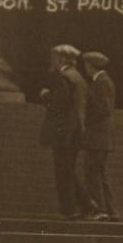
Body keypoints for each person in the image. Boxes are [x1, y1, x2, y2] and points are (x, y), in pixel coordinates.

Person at [37, 44, 87, 220]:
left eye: (54, 57)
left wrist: (45, 96)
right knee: (68, 170)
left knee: (62, 172)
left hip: (63, 132)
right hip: (75, 132)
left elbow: (60, 106)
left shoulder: (63, 77)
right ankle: (87, 205)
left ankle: (69, 210)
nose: (52, 61)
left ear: (62, 59)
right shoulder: (78, 77)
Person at [80, 50, 117, 221]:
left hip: (98, 136)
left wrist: (85, 119)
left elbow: (104, 109)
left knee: (92, 173)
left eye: (86, 65)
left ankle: (101, 209)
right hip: (100, 136)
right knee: (99, 173)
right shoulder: (102, 82)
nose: (85, 69)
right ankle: (110, 210)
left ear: (90, 66)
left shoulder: (102, 83)